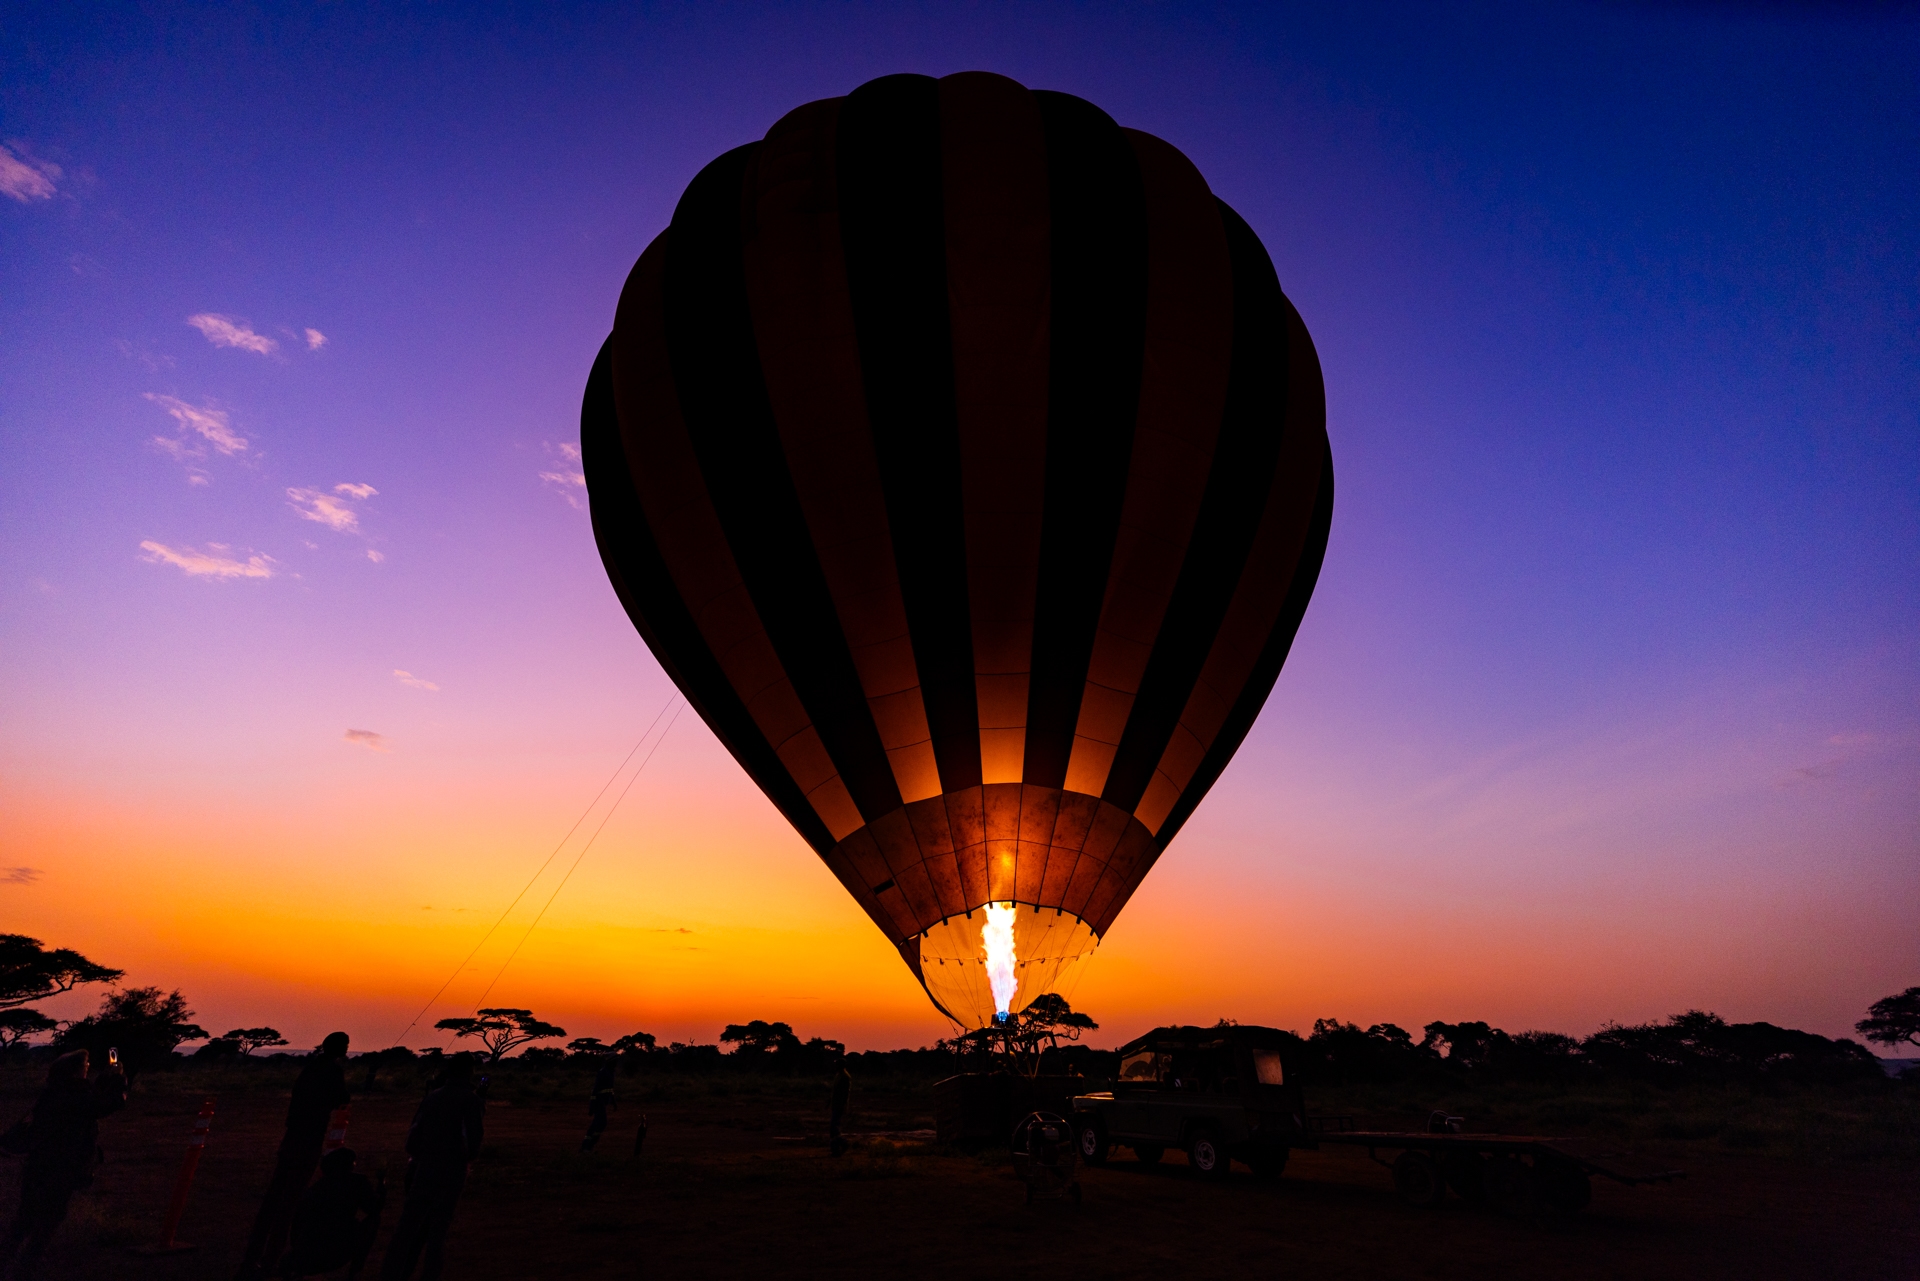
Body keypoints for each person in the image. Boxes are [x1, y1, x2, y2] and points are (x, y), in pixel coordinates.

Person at [0, 1049, 128, 1277]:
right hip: (60, 1168)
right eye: (86, 1065)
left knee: (26, 1217)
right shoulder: (75, 1095)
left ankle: (8, 1260)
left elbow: (91, 1096)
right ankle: (24, 1268)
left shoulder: (56, 1091)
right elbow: (104, 1104)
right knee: (47, 1221)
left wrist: (107, 1078)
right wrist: (118, 1079)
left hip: (39, 1165)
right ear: (76, 1070)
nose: (88, 1067)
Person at [238, 1032, 352, 1279]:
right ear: (339, 1048)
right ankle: (271, 1263)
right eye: (345, 1045)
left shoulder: (311, 1067)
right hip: (309, 1138)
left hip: (293, 1135)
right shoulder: (332, 1070)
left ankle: (252, 1259)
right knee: (290, 1201)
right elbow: (342, 1098)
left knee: (274, 1196)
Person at [379, 1054, 483, 1280]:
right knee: (438, 1230)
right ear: (469, 1071)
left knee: (407, 1227)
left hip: (423, 1167)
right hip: (451, 1170)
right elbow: (473, 1143)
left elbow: (413, 1136)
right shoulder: (470, 1100)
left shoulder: (433, 1097)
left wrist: (419, 1158)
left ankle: (391, 1273)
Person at [277, 1147, 383, 1279]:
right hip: (339, 1250)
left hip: (307, 1254)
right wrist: (381, 1186)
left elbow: (297, 1226)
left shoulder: (315, 1190)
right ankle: (355, 1269)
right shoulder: (356, 1182)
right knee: (373, 1221)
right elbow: (373, 1208)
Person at [580, 1057, 617, 1151]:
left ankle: (587, 1146)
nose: (616, 1063)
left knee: (597, 1124)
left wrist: (613, 1102)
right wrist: (591, 1106)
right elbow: (595, 1090)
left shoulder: (611, 1072)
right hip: (598, 1102)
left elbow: (610, 1089)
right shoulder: (603, 1072)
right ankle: (588, 1146)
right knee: (601, 1123)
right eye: (615, 1061)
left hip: (603, 1102)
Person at [828, 1060, 851, 1157]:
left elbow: (845, 1094)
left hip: (839, 1105)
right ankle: (837, 1149)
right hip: (835, 1105)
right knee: (834, 1127)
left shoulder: (845, 1077)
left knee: (834, 1127)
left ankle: (842, 1145)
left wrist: (844, 1105)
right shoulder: (839, 1076)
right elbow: (835, 1091)